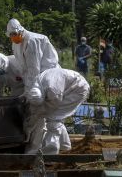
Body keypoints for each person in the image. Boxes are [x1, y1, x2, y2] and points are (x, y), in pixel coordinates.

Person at [6, 18, 60, 154]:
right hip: (34, 80)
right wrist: (27, 89)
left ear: (21, 30)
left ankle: (37, 149)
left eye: (14, 34)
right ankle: (63, 145)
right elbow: (25, 69)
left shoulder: (32, 41)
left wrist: (31, 90)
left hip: (46, 77)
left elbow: (34, 70)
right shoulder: (16, 43)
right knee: (44, 114)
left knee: (40, 113)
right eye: (10, 35)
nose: (13, 37)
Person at [24, 68, 90, 154]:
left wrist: (37, 115)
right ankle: (64, 146)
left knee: (53, 119)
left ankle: (50, 153)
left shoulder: (52, 90)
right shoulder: (36, 84)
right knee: (56, 117)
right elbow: (35, 105)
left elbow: (52, 106)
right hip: (70, 86)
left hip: (77, 89)